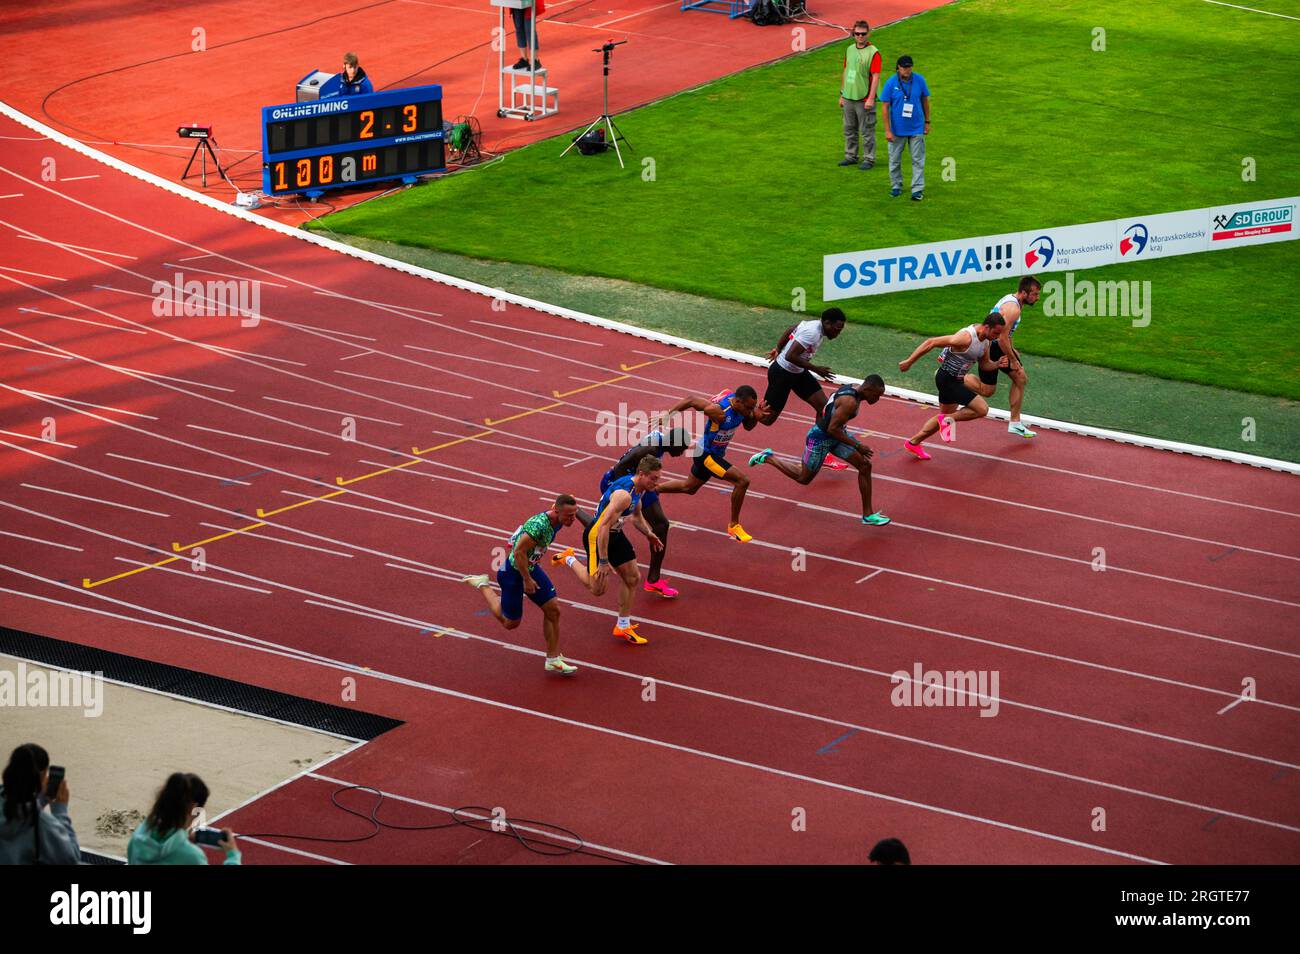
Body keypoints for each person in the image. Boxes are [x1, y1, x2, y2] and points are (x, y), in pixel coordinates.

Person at [749, 375, 891, 526]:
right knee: (803, 478)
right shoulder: (850, 402)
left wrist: (829, 416)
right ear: (868, 389)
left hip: (836, 436)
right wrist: (857, 446)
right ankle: (768, 457)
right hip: (821, 439)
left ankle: (867, 515)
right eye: (877, 395)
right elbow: (832, 428)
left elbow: (831, 399)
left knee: (864, 465)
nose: (877, 399)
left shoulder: (853, 387)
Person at [463, 494, 580, 675]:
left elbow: (563, 502)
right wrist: (526, 579)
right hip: (514, 573)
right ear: (557, 511)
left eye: (575, 514)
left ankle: (553, 659)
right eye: (569, 516)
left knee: (553, 609)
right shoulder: (539, 526)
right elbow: (518, 552)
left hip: (530, 567)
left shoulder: (558, 516)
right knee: (510, 623)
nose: (573, 519)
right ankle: (483, 585)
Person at [552, 456, 664, 644]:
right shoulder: (624, 495)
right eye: (653, 478)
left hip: (615, 533)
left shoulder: (640, 489)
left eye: (658, 478)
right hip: (597, 535)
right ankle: (569, 558)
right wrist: (604, 561)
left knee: (633, 577)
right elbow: (602, 526)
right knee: (597, 589)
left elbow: (636, 517)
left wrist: (649, 533)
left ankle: (623, 625)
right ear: (642, 474)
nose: (656, 482)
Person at [586, 427, 692, 598]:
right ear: (672, 443)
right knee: (657, 524)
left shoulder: (660, 441)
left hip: (637, 482)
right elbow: (621, 466)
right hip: (619, 483)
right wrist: (629, 490)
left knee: (655, 524)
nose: (683, 452)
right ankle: (653, 580)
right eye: (682, 448)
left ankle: (653, 579)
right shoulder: (650, 449)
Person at [655, 386, 762, 542]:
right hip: (706, 455)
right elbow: (690, 399)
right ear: (738, 401)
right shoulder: (719, 412)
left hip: (711, 454)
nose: (750, 411)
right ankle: (734, 525)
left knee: (689, 487)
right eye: (748, 408)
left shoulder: (742, 407)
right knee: (742, 481)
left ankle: (653, 489)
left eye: (752, 407)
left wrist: (755, 417)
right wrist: (668, 415)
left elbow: (748, 426)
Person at [897, 313, 1006, 458]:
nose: (997, 337)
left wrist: (997, 364)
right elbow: (931, 342)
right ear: (986, 327)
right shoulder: (966, 338)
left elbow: (985, 365)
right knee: (982, 409)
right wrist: (909, 361)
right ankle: (947, 420)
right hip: (947, 379)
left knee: (944, 416)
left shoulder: (985, 342)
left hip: (956, 380)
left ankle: (913, 443)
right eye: (996, 333)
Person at [128, 772, 241, 865]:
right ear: (194, 808)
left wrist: (181, 837)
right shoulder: (192, 857)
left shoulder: (139, 834)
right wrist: (233, 856)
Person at [978, 277, 1042, 438]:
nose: (1037, 298)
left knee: (988, 390)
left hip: (994, 345)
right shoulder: (1014, 309)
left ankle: (1015, 423)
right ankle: (1015, 423)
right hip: (993, 346)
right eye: (1035, 294)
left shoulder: (1012, 301)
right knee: (1019, 378)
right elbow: (1001, 338)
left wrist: (1012, 349)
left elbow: (1006, 334)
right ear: (1024, 293)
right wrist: (1012, 360)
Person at [0, 743, 81, 865]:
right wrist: (60, 811)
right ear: (42, 776)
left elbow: (16, 812)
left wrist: (41, 801)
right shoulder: (41, 824)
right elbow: (71, 858)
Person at [880, 54, 930, 200]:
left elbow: (925, 101)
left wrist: (927, 122)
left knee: (918, 159)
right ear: (898, 68)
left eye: (909, 67)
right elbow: (884, 107)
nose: (907, 70)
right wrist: (887, 130)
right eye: (904, 67)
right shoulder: (890, 83)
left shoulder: (919, 80)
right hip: (897, 129)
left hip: (916, 127)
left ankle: (917, 189)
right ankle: (896, 186)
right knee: (894, 159)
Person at [838, 20, 882, 170]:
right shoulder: (849, 49)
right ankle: (851, 156)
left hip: (864, 99)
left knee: (867, 130)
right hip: (849, 96)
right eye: (857, 34)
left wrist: (871, 98)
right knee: (849, 128)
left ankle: (869, 159)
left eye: (863, 34)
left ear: (868, 34)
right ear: (853, 34)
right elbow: (846, 71)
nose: (860, 36)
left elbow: (876, 76)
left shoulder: (873, 52)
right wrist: (842, 94)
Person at [510, 0, 546, 71]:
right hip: (516, 2)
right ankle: (524, 59)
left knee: (529, 29)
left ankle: (535, 60)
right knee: (519, 27)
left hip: (529, 2)